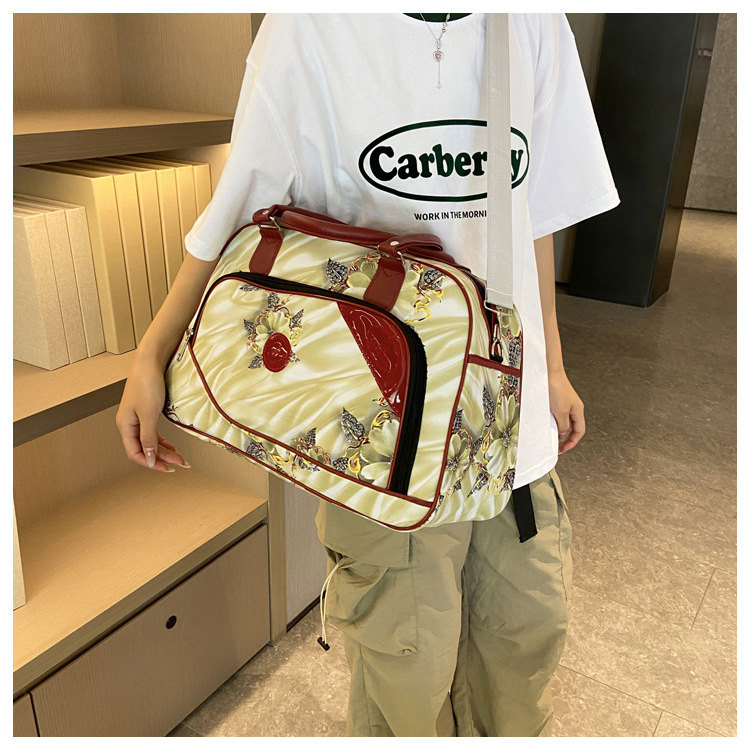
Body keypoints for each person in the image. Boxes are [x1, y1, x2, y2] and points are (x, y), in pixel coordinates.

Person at [116, 13, 619, 737]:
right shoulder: (308, 25)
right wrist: (151, 351)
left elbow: (530, 213)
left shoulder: (532, 20)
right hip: (387, 436)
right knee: (405, 676)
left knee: (524, 646)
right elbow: (237, 209)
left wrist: (555, 368)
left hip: (511, 426)